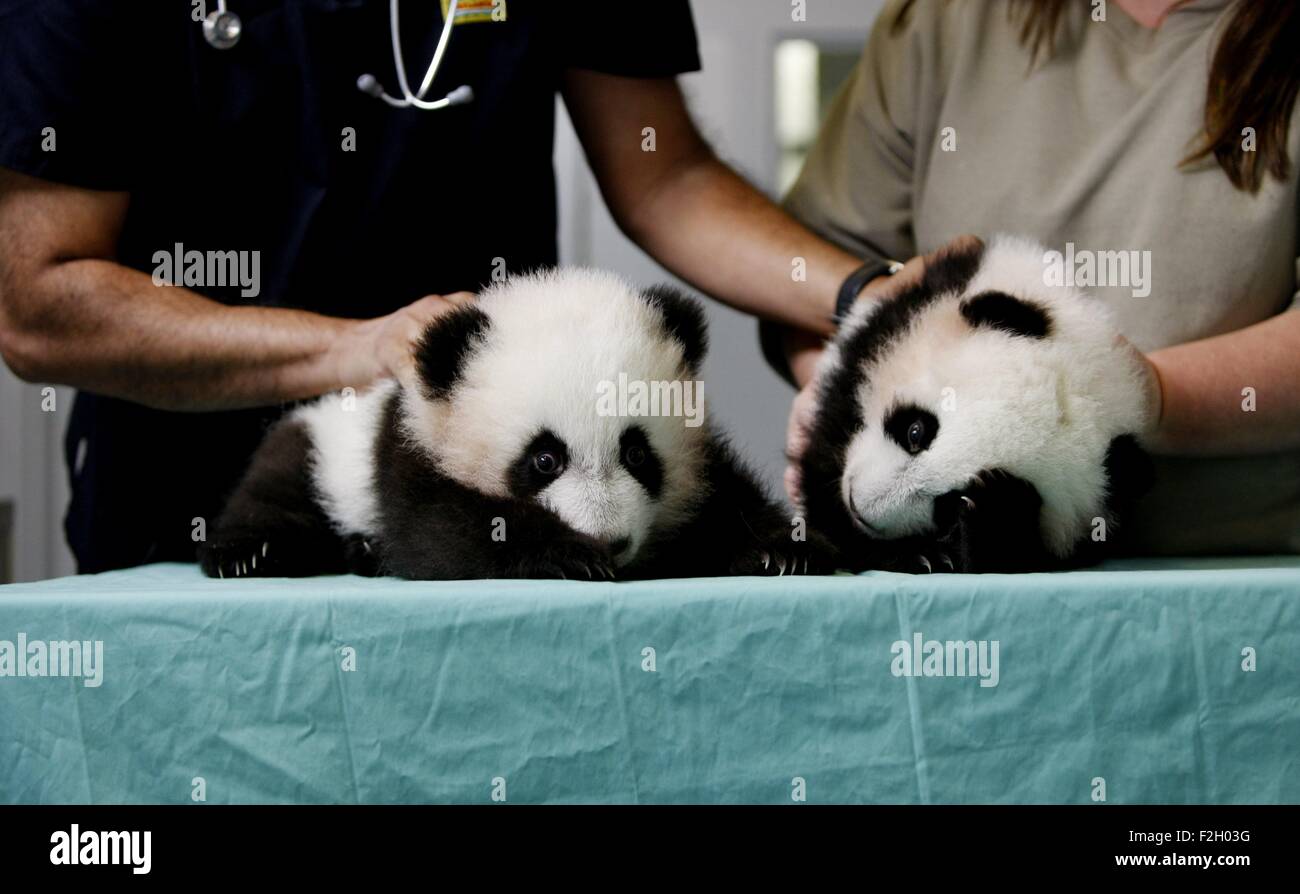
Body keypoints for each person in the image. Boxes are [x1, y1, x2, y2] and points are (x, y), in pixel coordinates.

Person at [0, 1, 865, 572]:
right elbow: (39, 304)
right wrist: (360, 348)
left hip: (509, 480)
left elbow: (666, 175)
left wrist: (866, 297)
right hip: (181, 493)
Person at [776, 0, 1300, 555]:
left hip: (1249, 570)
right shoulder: (942, 21)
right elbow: (808, 272)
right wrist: (840, 385)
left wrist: (1152, 397)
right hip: (941, 587)